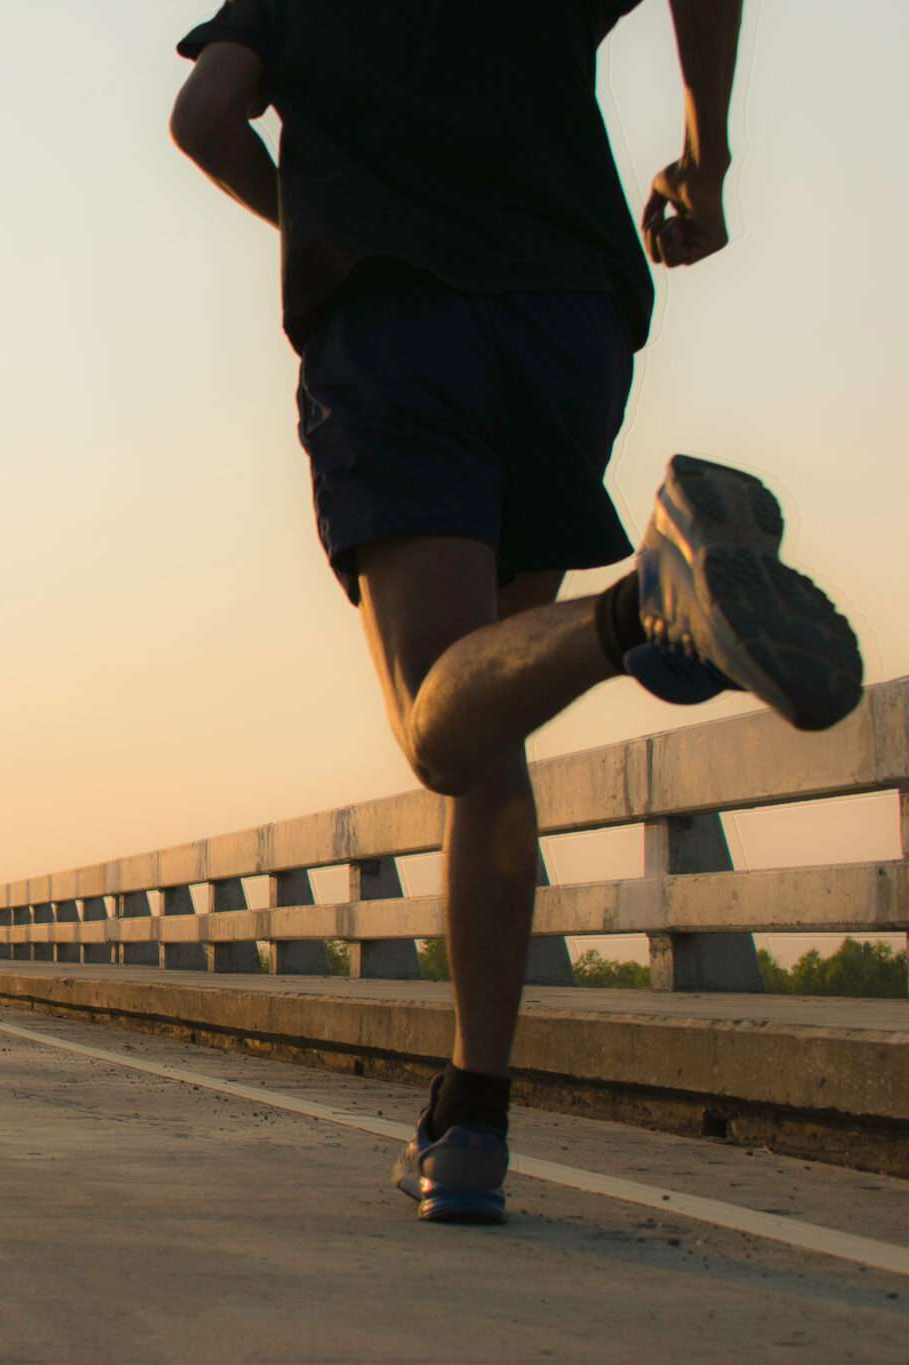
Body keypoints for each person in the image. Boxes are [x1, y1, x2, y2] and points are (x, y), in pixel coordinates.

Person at [169, 0, 862, 1224]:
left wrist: (314, 218)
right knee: (496, 698)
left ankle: (639, 609)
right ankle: (470, 1120)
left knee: (443, 732)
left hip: (394, 317)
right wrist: (704, 159)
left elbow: (205, 115)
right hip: (565, 315)